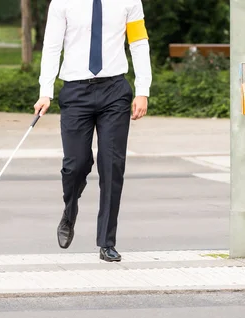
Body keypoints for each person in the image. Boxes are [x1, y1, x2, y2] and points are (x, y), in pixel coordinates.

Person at [33, 0, 152, 262]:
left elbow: (139, 43)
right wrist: (46, 92)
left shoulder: (129, 1)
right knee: (75, 165)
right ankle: (70, 208)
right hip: (75, 91)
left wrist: (143, 90)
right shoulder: (62, 3)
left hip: (114, 91)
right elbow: (52, 46)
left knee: (112, 166)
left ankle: (107, 241)